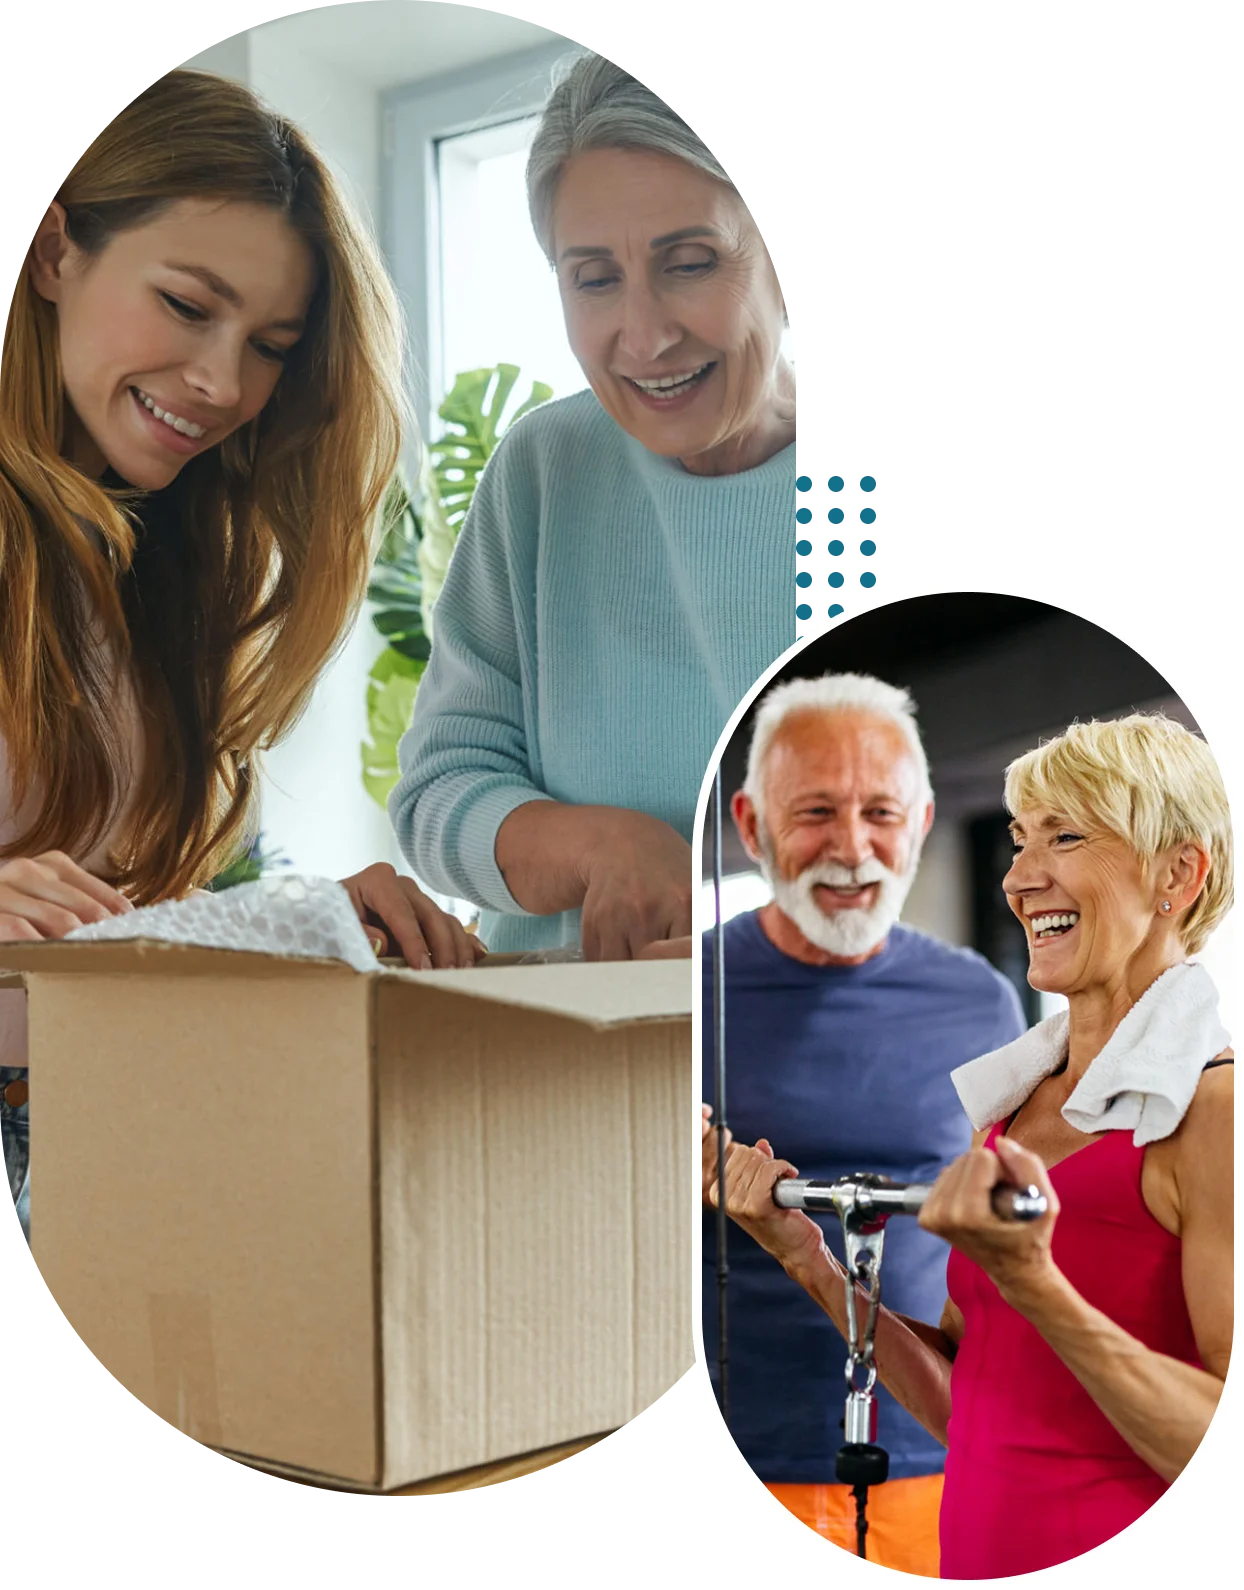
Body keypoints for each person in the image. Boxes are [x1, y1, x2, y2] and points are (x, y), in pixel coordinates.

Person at [1, 71, 484, 1247]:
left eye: (268, 345)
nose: (223, 384)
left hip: (90, 1155)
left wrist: (313, 917)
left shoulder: (149, 574)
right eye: (183, 304)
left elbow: (158, 901)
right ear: (54, 251)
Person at [715, 712, 1234, 1580]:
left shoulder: (1214, 1114)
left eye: (1064, 838)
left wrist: (1036, 1281)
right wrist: (807, 1260)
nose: (1020, 878)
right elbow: (972, 1408)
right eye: (1021, 842)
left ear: (1177, 873)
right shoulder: (1014, 1109)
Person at [389, 50, 800, 960]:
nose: (645, 336)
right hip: (557, 1057)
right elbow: (439, 791)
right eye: (594, 279)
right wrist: (603, 849)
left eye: (690, 264)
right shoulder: (544, 470)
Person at [700, 672, 1025, 1577]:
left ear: (921, 823)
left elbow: (1012, 1236)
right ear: (753, 826)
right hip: (746, 1445)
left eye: (881, 812)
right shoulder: (687, 992)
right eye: (815, 814)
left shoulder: (982, 1000)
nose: (852, 849)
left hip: (944, 1457)